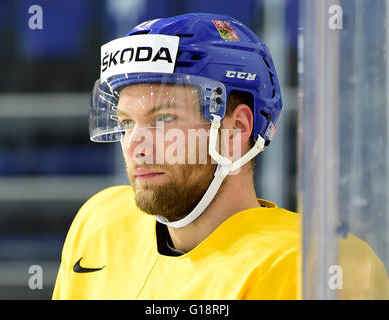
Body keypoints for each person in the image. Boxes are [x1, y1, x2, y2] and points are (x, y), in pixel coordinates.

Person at [52, 12, 298, 300]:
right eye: (127, 123)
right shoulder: (99, 222)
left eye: (164, 119)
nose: (135, 145)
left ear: (236, 129)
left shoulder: (297, 262)